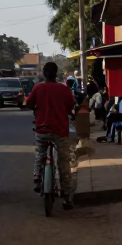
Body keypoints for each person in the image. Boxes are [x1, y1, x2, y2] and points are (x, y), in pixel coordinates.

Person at [26, 61, 77, 209]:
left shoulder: (38, 88)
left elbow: (29, 103)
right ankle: (67, 198)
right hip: (60, 132)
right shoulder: (64, 89)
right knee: (63, 164)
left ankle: (37, 177)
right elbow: (70, 106)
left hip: (42, 129)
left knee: (39, 153)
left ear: (44, 74)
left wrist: (37, 109)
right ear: (56, 74)